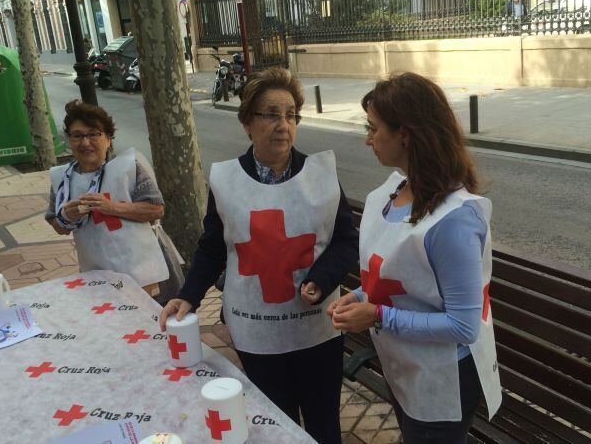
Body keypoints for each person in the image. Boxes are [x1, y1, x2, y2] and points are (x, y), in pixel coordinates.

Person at [159, 67, 358, 444]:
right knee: (274, 423)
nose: (283, 125)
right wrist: (188, 294)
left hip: (317, 329)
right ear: (247, 123)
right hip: (257, 332)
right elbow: (214, 246)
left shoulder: (321, 175)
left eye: (291, 115)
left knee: (324, 427)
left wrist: (321, 277)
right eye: (271, 114)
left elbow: (347, 241)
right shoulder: (226, 181)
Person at [328, 73, 502, 443]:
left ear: (405, 134)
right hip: (405, 366)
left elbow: (463, 326)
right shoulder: (397, 188)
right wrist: (360, 297)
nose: (368, 139)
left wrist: (376, 314)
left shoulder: (454, 221)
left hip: (441, 378)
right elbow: (401, 276)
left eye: (374, 129)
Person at [46, 100, 183, 303]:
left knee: (156, 323)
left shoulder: (127, 167)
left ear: (108, 139)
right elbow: (58, 226)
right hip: (97, 270)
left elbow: (156, 210)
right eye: (77, 135)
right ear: (69, 139)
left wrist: (113, 207)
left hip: (142, 267)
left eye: (93, 134)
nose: (85, 143)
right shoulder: (61, 179)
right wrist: (66, 217)